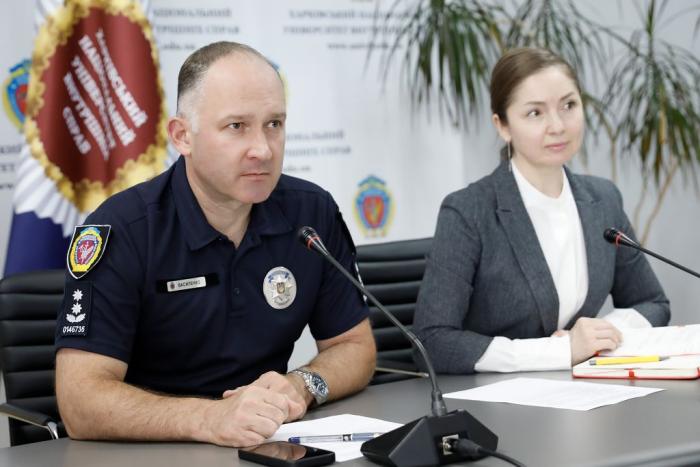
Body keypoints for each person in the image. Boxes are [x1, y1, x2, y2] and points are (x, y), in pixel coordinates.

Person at [55, 41, 376, 447]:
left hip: (266, 443)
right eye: (237, 126)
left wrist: (303, 384)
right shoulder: (124, 229)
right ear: (182, 136)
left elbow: (356, 347)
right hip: (151, 451)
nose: (263, 149)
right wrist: (208, 419)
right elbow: (79, 401)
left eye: (274, 124)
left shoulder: (311, 213)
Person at [413, 47, 670, 374]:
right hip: (493, 397)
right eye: (535, 113)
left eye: (569, 105)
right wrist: (559, 351)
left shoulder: (603, 199)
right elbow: (431, 342)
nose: (558, 125)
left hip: (581, 390)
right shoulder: (468, 212)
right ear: (503, 126)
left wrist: (602, 333)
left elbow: (652, 303)